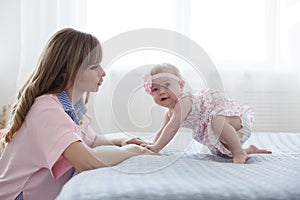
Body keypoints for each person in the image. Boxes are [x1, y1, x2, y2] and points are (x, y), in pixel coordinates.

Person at [0, 28, 155, 200]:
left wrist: (119, 141)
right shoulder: (46, 109)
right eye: (94, 67)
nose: (102, 73)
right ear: (67, 71)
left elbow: (92, 140)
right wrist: (131, 151)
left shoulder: (71, 107)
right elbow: (87, 162)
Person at [142, 63, 272, 164]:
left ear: (181, 85)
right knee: (222, 153)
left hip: (235, 121)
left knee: (217, 121)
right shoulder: (169, 113)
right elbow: (163, 130)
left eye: (166, 85)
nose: (161, 92)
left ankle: (239, 152)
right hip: (219, 130)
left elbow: (172, 128)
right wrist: (152, 145)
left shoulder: (184, 101)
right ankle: (248, 150)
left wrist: (157, 147)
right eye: (155, 89)